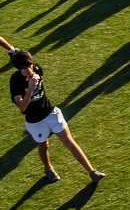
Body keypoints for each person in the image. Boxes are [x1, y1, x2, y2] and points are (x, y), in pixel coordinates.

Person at [8, 49, 102, 185]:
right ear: (18, 68)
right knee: (43, 144)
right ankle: (48, 168)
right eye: (24, 68)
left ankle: (92, 171)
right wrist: (30, 88)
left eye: (30, 66)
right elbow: (22, 107)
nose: (29, 70)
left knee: (69, 142)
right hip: (35, 121)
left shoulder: (37, 69)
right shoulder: (15, 80)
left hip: (51, 113)